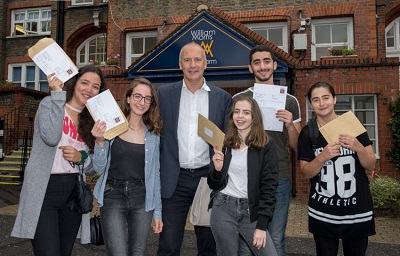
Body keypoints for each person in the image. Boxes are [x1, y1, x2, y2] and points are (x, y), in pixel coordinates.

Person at [11, 65, 106, 255]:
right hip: (44, 188)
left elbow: (95, 168)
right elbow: (51, 137)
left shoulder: (94, 120)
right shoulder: (50, 104)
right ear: (74, 83)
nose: (89, 89)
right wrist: (56, 96)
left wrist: (83, 157)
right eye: (85, 83)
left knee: (64, 251)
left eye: (95, 86)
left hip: (73, 192)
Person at [156, 42, 232, 256]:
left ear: (205, 64)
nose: (192, 65)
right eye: (187, 60)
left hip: (207, 179)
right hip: (174, 178)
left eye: (197, 60)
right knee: (169, 244)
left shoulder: (222, 98)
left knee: (208, 245)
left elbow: (228, 139)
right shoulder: (163, 95)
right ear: (180, 64)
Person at [235, 45, 301, 256]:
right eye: (257, 62)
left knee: (276, 239)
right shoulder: (239, 100)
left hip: (279, 177)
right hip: (245, 176)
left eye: (266, 61)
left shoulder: (290, 101)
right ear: (250, 68)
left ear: (274, 65)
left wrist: (290, 124)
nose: (262, 67)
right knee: (246, 240)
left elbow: (296, 146)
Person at [297, 82, 376, 256]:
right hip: (323, 211)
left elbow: (371, 164)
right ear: (311, 104)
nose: (322, 103)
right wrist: (322, 157)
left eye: (326, 98)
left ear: (334, 99)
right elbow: (306, 172)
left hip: (356, 210)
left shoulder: (352, 125)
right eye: (316, 100)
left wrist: (359, 147)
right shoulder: (308, 133)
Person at [91, 77, 163, 256]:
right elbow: (98, 169)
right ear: (129, 98)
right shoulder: (111, 127)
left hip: (142, 197)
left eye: (147, 98)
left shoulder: (153, 134)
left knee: (137, 252)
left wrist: (158, 212)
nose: (142, 102)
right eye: (138, 96)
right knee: (118, 252)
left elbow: (155, 174)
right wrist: (100, 142)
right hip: (112, 195)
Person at [208, 95, 279, 256]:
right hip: (223, 207)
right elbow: (214, 184)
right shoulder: (224, 142)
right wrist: (218, 170)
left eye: (246, 113)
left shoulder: (266, 145)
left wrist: (262, 225)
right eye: (237, 112)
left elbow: (269, 187)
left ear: (254, 117)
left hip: (251, 212)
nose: (240, 116)